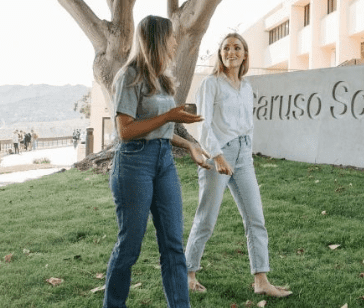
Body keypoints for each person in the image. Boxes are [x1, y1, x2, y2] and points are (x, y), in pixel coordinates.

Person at [103, 15, 210, 308]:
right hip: (134, 164)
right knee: (130, 246)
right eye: (171, 37)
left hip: (163, 161)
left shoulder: (162, 79)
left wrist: (188, 144)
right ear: (157, 39)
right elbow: (126, 130)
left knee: (173, 245)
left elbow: (160, 130)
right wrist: (169, 116)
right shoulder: (130, 76)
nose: (175, 42)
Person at [184, 33, 292, 298]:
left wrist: (248, 156)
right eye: (226, 48)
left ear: (244, 54)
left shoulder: (246, 87)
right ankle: (186, 275)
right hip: (218, 153)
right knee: (206, 218)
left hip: (243, 156)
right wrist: (217, 156)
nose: (231, 52)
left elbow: (248, 125)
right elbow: (204, 122)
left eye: (237, 48)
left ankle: (261, 281)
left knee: (256, 218)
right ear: (220, 54)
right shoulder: (211, 84)